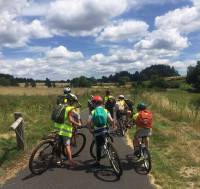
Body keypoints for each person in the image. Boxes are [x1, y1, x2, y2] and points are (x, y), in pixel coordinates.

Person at [55, 93, 81, 167]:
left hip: (57, 127)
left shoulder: (61, 106)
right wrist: (78, 123)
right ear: (71, 101)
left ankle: (58, 160)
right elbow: (70, 119)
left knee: (58, 144)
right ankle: (71, 161)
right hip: (65, 130)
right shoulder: (70, 108)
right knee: (67, 145)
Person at [87, 95, 115, 167]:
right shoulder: (105, 110)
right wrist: (114, 126)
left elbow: (88, 122)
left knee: (98, 147)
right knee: (106, 139)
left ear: (94, 103)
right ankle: (109, 150)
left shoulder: (93, 112)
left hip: (97, 131)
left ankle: (98, 162)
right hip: (105, 129)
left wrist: (90, 129)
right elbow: (111, 120)